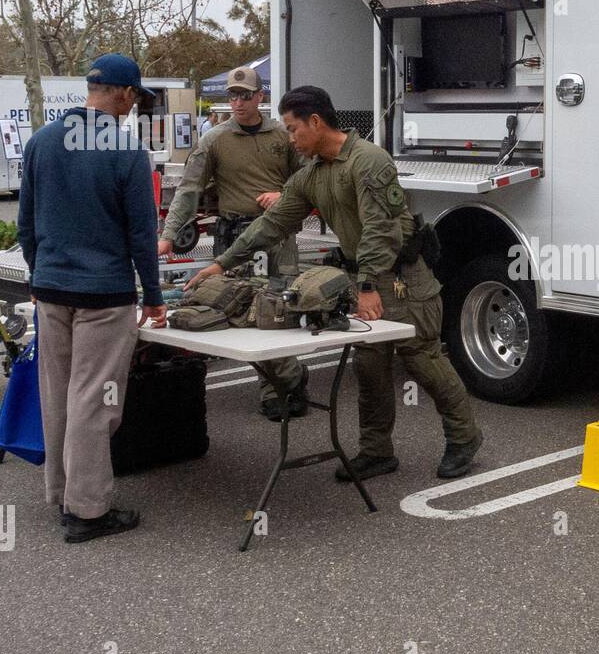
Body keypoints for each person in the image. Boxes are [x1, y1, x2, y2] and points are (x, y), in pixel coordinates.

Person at [187, 85, 483, 480]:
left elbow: (383, 230)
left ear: (315, 121)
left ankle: (464, 438)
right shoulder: (312, 174)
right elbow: (272, 224)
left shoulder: (369, 161)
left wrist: (367, 287)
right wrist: (221, 263)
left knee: (424, 361)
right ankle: (376, 451)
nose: (290, 139)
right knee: (369, 366)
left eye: (293, 130)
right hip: (365, 279)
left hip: (400, 281)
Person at [18, 53, 167, 544]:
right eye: (134, 98)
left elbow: (26, 225)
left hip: (51, 290)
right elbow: (142, 236)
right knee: (95, 401)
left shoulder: (40, 142)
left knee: (58, 394)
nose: (133, 107)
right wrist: (153, 296)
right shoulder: (126, 151)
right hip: (104, 294)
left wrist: (42, 275)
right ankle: (87, 511)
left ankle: (61, 493)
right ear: (124, 93)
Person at [159, 67, 308, 420]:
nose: (238, 102)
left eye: (245, 95)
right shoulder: (215, 139)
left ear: (260, 97)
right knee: (241, 312)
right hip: (233, 238)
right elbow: (190, 190)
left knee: (279, 309)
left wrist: (284, 194)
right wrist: (168, 236)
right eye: (232, 96)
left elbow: (308, 176)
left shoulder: (283, 134)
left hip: (275, 235)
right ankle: (284, 378)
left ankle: (282, 385)